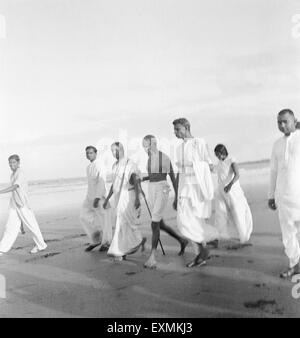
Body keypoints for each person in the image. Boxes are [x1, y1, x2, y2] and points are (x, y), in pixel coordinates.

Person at [172, 118, 219, 268]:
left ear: (186, 127)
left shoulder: (199, 142)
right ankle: (203, 248)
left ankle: (201, 253)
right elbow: (180, 173)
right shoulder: (178, 149)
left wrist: (197, 165)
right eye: (174, 130)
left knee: (195, 221)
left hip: (198, 188)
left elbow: (209, 165)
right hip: (185, 188)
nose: (175, 132)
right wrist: (176, 194)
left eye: (178, 129)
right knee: (183, 221)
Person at [141, 135, 188, 269]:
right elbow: (151, 176)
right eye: (143, 146)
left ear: (153, 144)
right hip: (151, 189)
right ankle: (182, 240)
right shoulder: (149, 159)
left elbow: (171, 177)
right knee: (159, 223)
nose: (145, 148)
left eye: (146, 145)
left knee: (154, 223)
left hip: (162, 189)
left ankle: (152, 257)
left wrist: (177, 197)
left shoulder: (164, 157)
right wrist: (142, 179)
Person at [268, 109, 300, 278]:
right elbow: (273, 171)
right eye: (278, 122)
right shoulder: (277, 144)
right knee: (288, 234)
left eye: (285, 121)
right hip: (283, 196)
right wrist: (270, 195)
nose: (281, 125)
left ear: (294, 121)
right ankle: (295, 265)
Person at [103, 142, 146, 261]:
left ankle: (131, 244)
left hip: (128, 196)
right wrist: (107, 199)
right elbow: (113, 185)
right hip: (118, 198)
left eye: (115, 150)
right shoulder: (114, 165)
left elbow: (136, 180)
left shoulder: (129, 164)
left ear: (121, 150)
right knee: (120, 223)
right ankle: (123, 250)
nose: (113, 153)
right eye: (111, 151)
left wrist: (138, 198)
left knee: (127, 222)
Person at [0, 155, 47, 256]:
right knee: (10, 226)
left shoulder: (20, 173)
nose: (11, 165)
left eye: (13, 162)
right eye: (10, 163)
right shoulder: (12, 174)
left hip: (23, 204)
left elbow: (15, 186)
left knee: (32, 225)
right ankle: (2, 249)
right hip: (14, 203)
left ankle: (41, 245)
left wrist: (0, 192)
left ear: (18, 162)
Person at [214, 144, 253, 246]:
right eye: (216, 155)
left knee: (237, 213)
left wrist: (230, 185)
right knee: (222, 213)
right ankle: (220, 236)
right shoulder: (219, 163)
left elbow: (237, 174)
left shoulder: (231, 160)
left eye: (218, 154)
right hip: (222, 192)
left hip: (233, 191)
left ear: (223, 152)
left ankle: (244, 238)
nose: (217, 157)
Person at [80, 146, 113, 252]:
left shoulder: (100, 165)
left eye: (91, 153)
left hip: (100, 197)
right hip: (89, 197)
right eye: (87, 153)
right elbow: (91, 184)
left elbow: (101, 182)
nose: (89, 155)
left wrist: (97, 198)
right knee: (83, 217)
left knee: (105, 221)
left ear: (95, 153)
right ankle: (96, 239)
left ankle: (107, 243)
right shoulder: (88, 167)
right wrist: (90, 198)